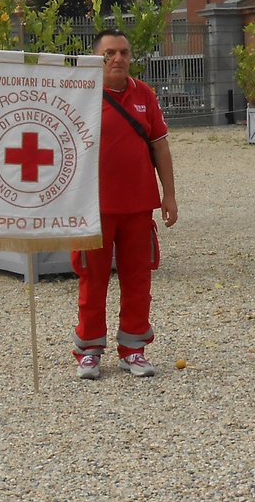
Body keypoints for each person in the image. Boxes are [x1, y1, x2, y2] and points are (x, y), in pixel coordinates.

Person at [71, 30, 178, 380]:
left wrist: (169, 195)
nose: (118, 59)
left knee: (137, 281)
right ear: (96, 58)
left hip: (137, 206)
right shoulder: (79, 96)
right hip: (93, 208)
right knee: (92, 280)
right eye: (109, 53)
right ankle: (88, 351)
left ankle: (133, 350)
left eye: (124, 52)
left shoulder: (144, 93)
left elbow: (160, 147)